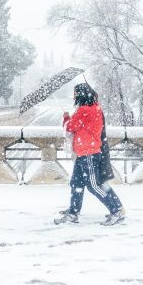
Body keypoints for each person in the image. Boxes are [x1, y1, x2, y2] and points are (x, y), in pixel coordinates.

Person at [55, 83, 126, 226]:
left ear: (81, 94)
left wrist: (66, 117)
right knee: (76, 183)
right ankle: (73, 213)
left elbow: (70, 127)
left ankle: (116, 211)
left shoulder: (84, 110)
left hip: (88, 153)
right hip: (85, 152)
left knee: (93, 185)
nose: (74, 96)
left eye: (75, 93)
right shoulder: (95, 107)